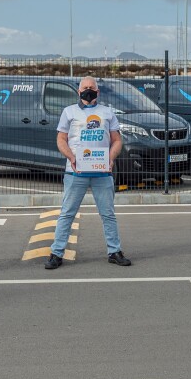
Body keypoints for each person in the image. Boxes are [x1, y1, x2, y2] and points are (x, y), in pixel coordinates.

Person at [45, 76, 131, 270]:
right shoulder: (69, 112)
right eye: (85, 87)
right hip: (75, 172)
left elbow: (117, 140)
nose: (88, 90)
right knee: (67, 213)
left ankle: (114, 251)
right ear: (78, 91)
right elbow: (61, 140)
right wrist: (72, 158)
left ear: (98, 92)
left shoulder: (108, 113)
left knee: (108, 214)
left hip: (102, 173)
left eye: (92, 87)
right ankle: (56, 253)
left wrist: (110, 158)